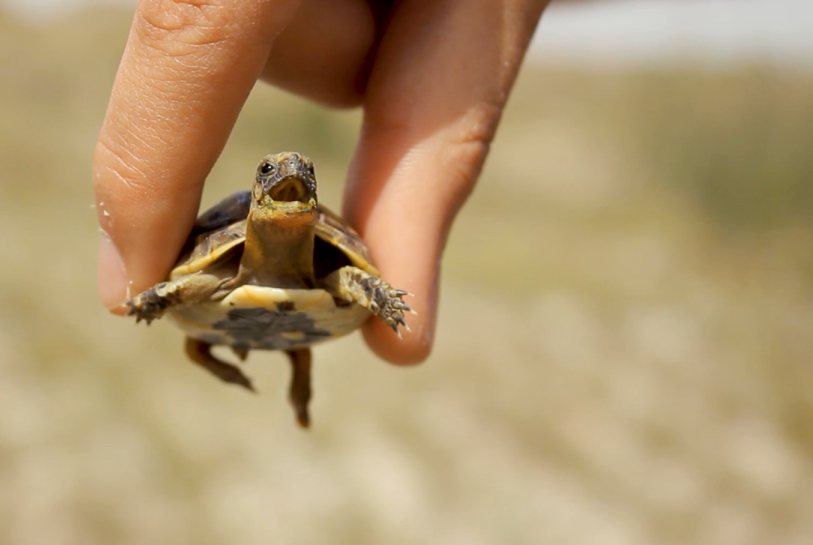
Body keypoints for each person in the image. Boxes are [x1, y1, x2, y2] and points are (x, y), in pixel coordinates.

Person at [93, 0, 551, 365]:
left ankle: (294, 380)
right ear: (259, 191)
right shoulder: (221, 267)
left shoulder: (334, 269)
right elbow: (187, 285)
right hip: (231, 316)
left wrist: (381, 296)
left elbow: (350, 279)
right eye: (271, 173)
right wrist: (156, 298)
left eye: (303, 173)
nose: (289, 175)